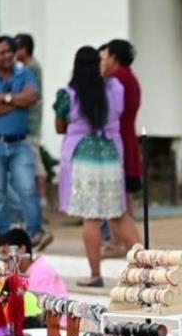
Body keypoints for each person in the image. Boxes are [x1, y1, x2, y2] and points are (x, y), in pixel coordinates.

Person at [55, 46, 141, 286]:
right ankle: (146, 268)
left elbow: (60, 126)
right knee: (119, 214)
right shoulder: (115, 88)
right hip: (111, 154)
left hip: (83, 156)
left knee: (91, 217)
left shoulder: (68, 93)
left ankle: (95, 274)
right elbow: (120, 112)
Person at [0, 35, 52, 250]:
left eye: (9, 51)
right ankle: (4, 237)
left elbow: (34, 97)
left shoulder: (24, 73)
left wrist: (6, 98)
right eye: (1, 53)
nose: (7, 56)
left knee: (28, 188)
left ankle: (36, 233)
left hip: (20, 142)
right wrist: (19, 102)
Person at [98, 39, 143, 258]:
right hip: (128, 137)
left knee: (117, 195)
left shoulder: (116, 80)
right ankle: (126, 242)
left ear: (114, 57)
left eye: (105, 56)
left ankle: (119, 241)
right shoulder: (129, 77)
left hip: (118, 139)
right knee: (124, 194)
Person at [14, 33, 49, 209]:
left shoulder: (30, 69)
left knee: (35, 165)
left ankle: (41, 201)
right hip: (30, 124)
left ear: (24, 50)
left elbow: (30, 96)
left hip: (30, 125)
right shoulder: (30, 67)